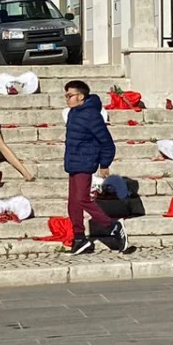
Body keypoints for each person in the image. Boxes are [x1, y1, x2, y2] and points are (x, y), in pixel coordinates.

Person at [61, 80, 126, 257]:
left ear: (80, 96)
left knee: (82, 199)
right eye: (66, 96)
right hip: (73, 162)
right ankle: (79, 238)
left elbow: (106, 141)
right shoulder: (74, 113)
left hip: (85, 161)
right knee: (73, 203)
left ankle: (112, 226)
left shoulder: (91, 115)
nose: (67, 99)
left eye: (70, 95)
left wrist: (104, 163)